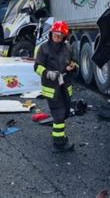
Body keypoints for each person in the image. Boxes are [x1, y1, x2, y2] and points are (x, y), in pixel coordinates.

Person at [34, 20, 77, 153]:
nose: (57, 37)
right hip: (52, 88)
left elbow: (74, 63)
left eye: (60, 35)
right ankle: (58, 143)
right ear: (51, 33)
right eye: (55, 34)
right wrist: (48, 73)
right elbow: (37, 67)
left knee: (64, 113)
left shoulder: (68, 48)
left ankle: (60, 137)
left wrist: (73, 67)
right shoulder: (44, 48)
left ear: (64, 36)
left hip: (64, 86)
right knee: (58, 115)